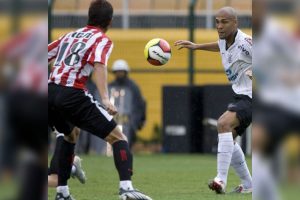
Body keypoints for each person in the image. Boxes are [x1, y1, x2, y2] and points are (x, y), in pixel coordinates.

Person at [48, 0, 152, 199]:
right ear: (110, 22)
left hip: (49, 92)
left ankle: (62, 192)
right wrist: (105, 98)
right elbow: (99, 64)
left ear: (89, 17)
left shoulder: (69, 36)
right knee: (118, 137)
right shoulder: (102, 39)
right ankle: (126, 189)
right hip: (72, 93)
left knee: (70, 135)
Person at [175, 7, 252, 194]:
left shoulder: (247, 43)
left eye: (224, 22)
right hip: (241, 94)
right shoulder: (225, 41)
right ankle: (249, 185)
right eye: (217, 21)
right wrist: (196, 46)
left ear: (236, 23)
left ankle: (220, 179)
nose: (219, 26)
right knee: (229, 140)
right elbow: (220, 46)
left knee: (223, 124)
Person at [108, 59, 146, 147]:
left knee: (127, 142)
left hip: (129, 120)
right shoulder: (110, 86)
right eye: (117, 72)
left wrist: (139, 120)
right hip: (114, 118)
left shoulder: (133, 87)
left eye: (121, 72)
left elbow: (140, 104)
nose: (119, 74)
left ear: (125, 72)